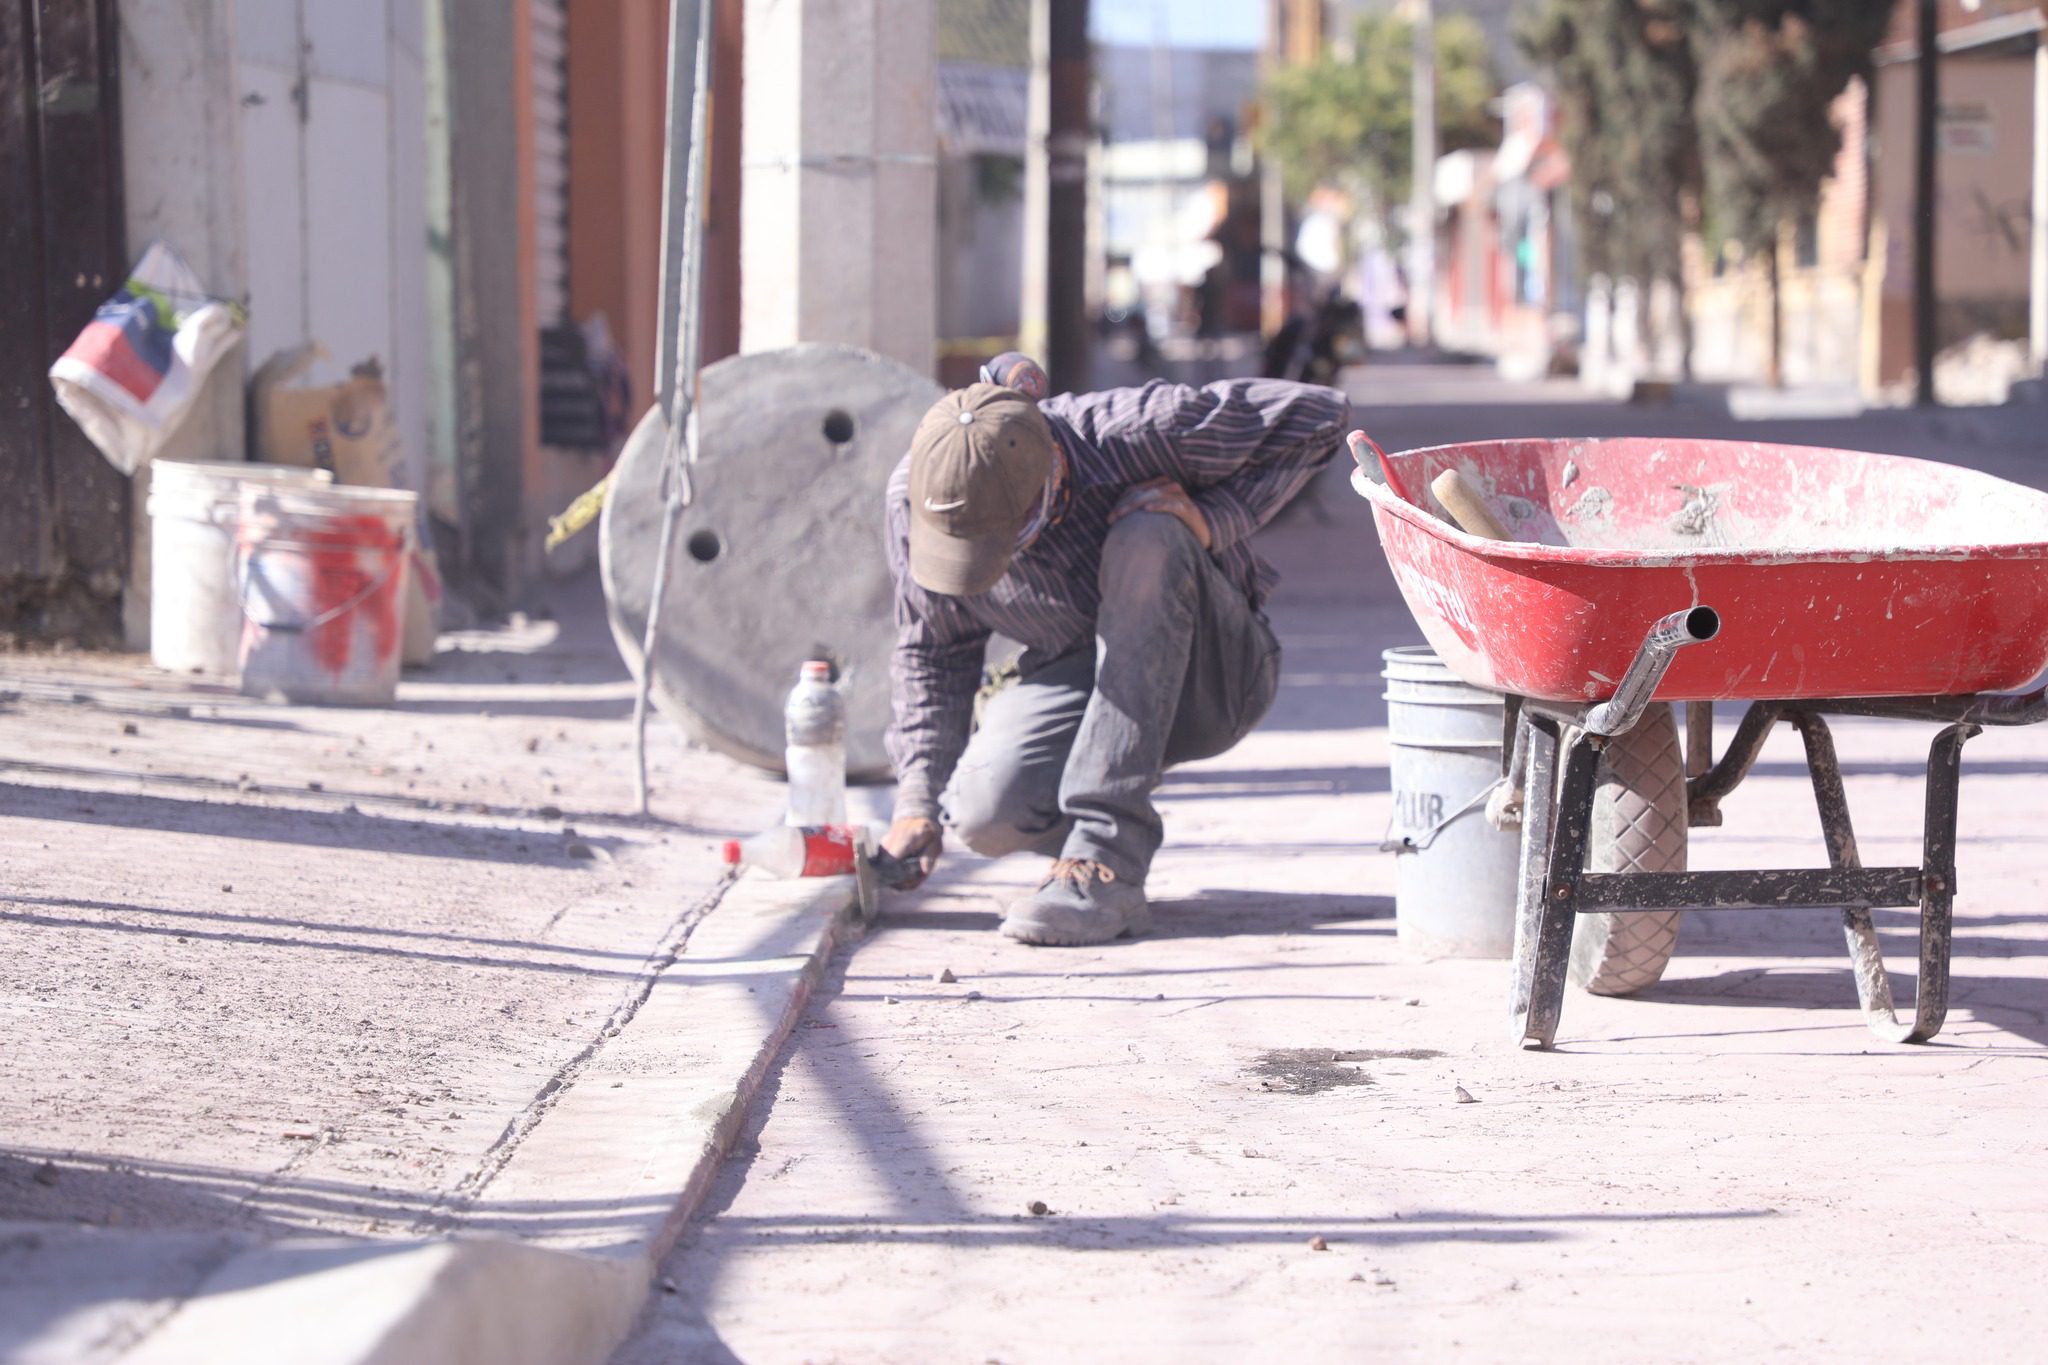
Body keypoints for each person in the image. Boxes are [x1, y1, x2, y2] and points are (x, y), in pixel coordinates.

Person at [879, 356, 1351, 946]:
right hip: (1077, 669)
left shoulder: (1134, 432)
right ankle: (1093, 825)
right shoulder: (915, 504)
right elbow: (932, 653)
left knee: (1147, 536)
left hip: (1211, 675)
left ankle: (1106, 862)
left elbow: (1319, 415)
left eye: (997, 544)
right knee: (983, 812)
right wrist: (916, 805)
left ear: (1048, 482)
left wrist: (1214, 519)